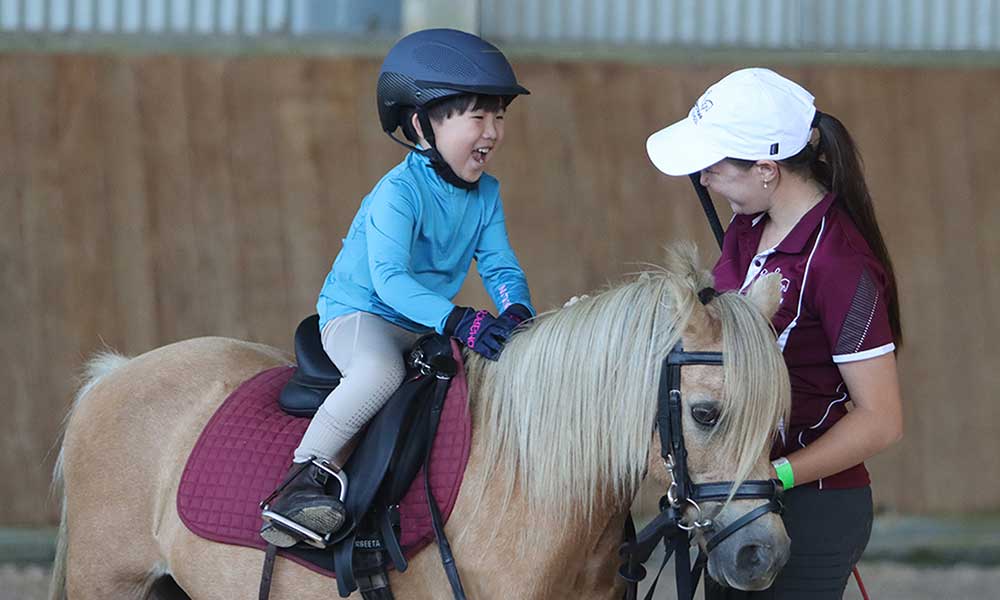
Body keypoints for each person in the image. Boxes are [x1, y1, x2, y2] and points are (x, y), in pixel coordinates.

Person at [260, 28, 535, 548]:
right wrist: (461, 320)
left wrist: (516, 311)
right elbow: (388, 281)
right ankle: (301, 481)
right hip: (361, 315)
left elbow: (499, 264)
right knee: (379, 372)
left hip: (423, 321)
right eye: (477, 116)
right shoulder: (398, 192)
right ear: (421, 124)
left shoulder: (487, 194)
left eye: (499, 116)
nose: (493, 131)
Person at [646, 68, 904, 598]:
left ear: (766, 169)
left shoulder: (841, 264)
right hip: (737, 495)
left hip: (809, 503)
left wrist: (773, 475)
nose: (704, 180)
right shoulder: (748, 228)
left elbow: (882, 421)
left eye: (713, 167)